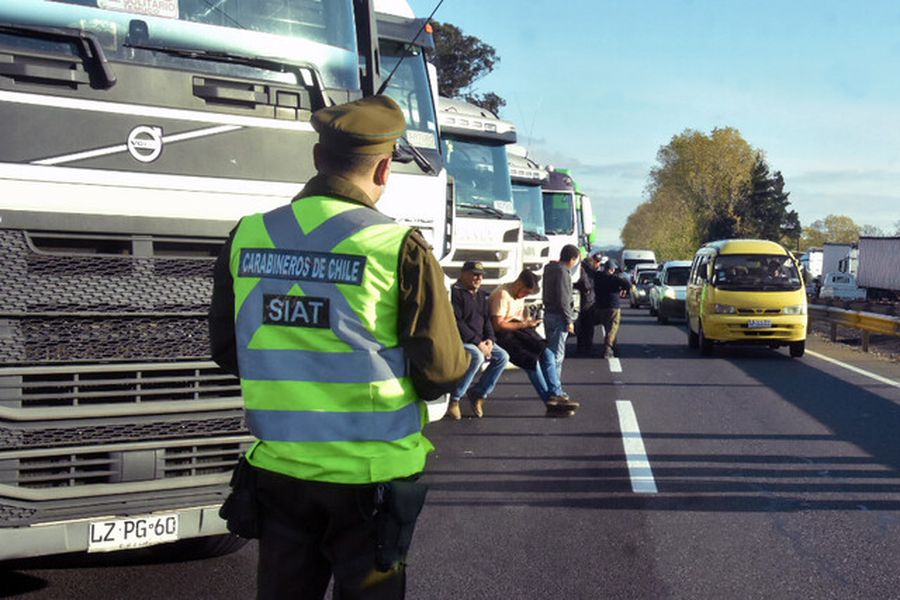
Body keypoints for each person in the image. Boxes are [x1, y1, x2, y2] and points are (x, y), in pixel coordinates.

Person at [208, 95, 469, 600]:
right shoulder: (396, 246)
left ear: (316, 158)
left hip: (279, 471)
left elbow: (227, 350)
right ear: (385, 168)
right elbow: (442, 371)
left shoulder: (249, 235)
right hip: (369, 482)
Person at [489, 270, 579, 417]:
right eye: (525, 292)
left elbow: (520, 316)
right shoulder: (502, 295)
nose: (525, 296)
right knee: (531, 361)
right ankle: (549, 401)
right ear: (519, 284)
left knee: (547, 352)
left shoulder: (517, 294)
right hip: (504, 334)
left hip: (519, 330)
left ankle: (556, 393)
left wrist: (529, 321)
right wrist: (524, 325)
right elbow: (498, 325)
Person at [448, 260, 510, 419]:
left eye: (481, 276)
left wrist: (490, 339)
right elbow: (458, 322)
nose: (478, 278)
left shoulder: (482, 295)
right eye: (475, 275)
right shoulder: (455, 293)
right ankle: (455, 399)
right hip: (462, 340)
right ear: (463, 274)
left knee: (503, 357)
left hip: (481, 341)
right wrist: (478, 342)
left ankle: (479, 393)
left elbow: (487, 320)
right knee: (477, 357)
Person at [542, 244, 580, 376]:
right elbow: (563, 299)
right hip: (559, 317)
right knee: (557, 354)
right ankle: (554, 387)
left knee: (550, 351)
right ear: (572, 259)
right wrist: (569, 320)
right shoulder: (563, 272)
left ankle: (550, 383)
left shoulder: (549, 269)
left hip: (549, 313)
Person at [593, 257, 631, 358]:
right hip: (613, 306)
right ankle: (608, 348)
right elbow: (627, 284)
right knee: (612, 328)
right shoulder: (614, 279)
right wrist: (624, 289)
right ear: (612, 269)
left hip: (600, 306)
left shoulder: (598, 277)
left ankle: (615, 348)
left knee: (607, 328)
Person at [573, 250, 603, 356]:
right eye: (598, 263)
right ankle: (587, 347)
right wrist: (589, 289)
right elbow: (587, 284)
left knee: (582, 325)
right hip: (587, 300)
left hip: (582, 299)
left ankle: (581, 346)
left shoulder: (582, 267)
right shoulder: (587, 270)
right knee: (588, 326)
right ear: (595, 261)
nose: (598, 265)